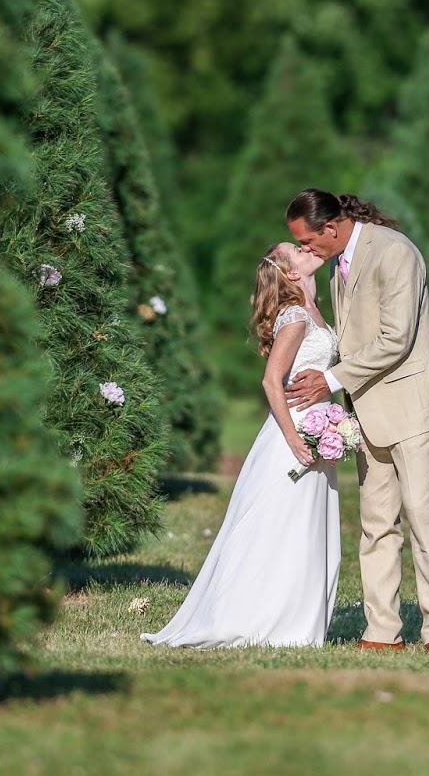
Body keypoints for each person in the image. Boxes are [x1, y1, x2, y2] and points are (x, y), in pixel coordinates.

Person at [284, 188, 429, 654]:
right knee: (377, 524)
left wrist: (330, 379)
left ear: (332, 228)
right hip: (366, 412)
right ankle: (382, 631)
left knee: (423, 518)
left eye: (308, 241)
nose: (306, 250)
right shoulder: (340, 262)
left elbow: (396, 338)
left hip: (412, 408)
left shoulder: (395, 252)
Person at [141, 242, 341, 648]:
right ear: (289, 273)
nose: (308, 248)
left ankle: (298, 617)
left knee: (303, 527)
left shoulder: (316, 310)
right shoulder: (296, 315)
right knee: (277, 526)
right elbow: (272, 380)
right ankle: (258, 618)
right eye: (297, 250)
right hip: (295, 433)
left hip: (319, 429)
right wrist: (294, 439)